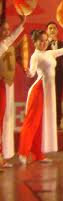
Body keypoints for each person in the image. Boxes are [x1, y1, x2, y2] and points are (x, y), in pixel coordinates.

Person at [18, 28, 63, 164]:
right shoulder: (35, 56)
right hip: (39, 91)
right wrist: (28, 72)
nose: (43, 43)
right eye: (40, 41)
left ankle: (38, 154)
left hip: (48, 92)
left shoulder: (50, 53)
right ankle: (23, 152)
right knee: (32, 122)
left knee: (41, 123)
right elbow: (32, 72)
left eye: (45, 40)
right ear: (35, 42)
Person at [0, 16, 25, 168]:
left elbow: (14, 36)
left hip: (5, 86)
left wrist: (21, 23)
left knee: (4, 119)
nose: (7, 32)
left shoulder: (5, 44)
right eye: (4, 29)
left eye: (8, 29)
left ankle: (2, 155)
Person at [45, 22, 63, 130]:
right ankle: (47, 124)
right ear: (47, 31)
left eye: (54, 28)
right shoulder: (43, 44)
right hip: (47, 77)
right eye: (50, 28)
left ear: (57, 31)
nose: (52, 30)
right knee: (47, 99)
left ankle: (57, 123)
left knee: (58, 99)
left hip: (59, 76)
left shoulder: (62, 44)